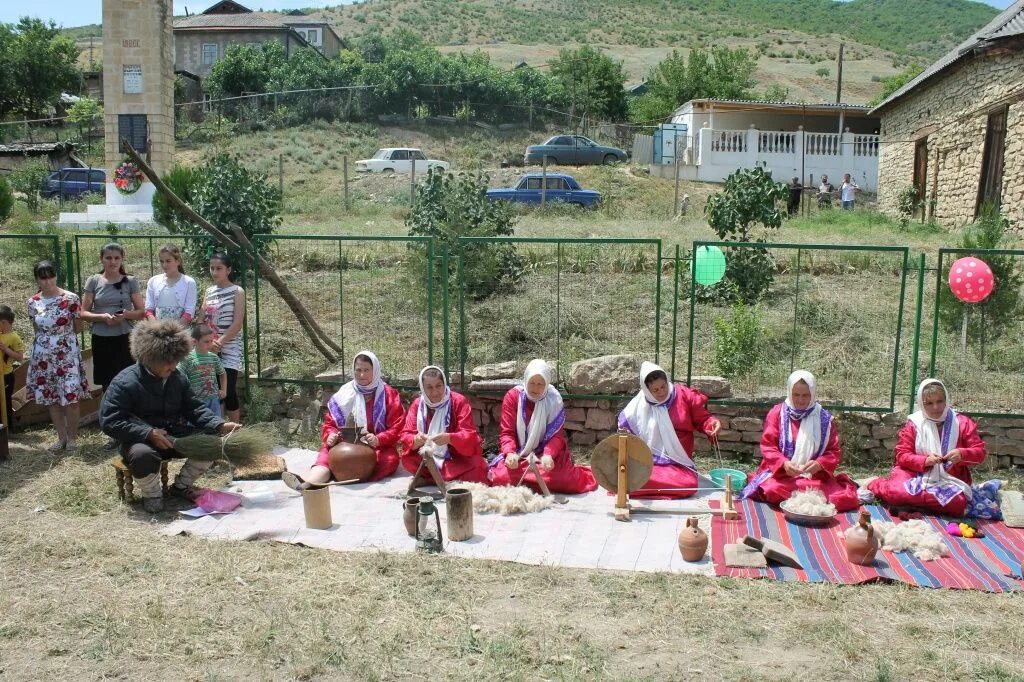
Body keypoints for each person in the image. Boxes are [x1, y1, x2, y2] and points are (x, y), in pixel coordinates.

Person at [99, 319, 240, 513]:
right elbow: (110, 421)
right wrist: (148, 433)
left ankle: (181, 487)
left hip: (174, 436)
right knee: (143, 455)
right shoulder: (125, 382)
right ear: (150, 357)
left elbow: (194, 408)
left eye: (176, 361)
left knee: (211, 444)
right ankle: (152, 495)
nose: (173, 367)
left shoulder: (177, 378)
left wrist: (218, 425)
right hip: (141, 441)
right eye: (168, 362)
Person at [739, 370, 859, 511]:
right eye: (796, 395)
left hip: (814, 477)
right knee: (773, 489)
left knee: (840, 498)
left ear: (813, 394)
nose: (801, 400)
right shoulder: (777, 413)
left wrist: (819, 464)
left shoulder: (824, 419)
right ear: (790, 392)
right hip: (782, 475)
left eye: (805, 395)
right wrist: (784, 463)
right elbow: (768, 446)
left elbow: (833, 451)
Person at [867, 379, 986, 516]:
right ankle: (876, 484)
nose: (935, 407)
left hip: (949, 477)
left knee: (957, 503)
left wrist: (962, 454)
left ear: (946, 399)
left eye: (940, 401)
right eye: (929, 403)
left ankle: (911, 504)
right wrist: (924, 461)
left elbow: (980, 453)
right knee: (896, 493)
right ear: (921, 404)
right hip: (913, 473)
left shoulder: (962, 423)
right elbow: (902, 455)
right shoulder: (915, 424)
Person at [489, 359, 597, 495]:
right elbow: (507, 432)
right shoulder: (513, 397)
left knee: (564, 480)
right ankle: (534, 480)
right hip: (519, 454)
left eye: (540, 384)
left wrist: (548, 455)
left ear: (547, 384)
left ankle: (531, 481)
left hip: (545, 455)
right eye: (532, 383)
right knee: (500, 477)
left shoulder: (554, 399)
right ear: (525, 380)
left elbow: (556, 436)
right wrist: (510, 453)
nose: (535, 388)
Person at [617, 362, 721, 499]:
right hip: (648, 462)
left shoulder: (683, 395)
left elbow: (703, 419)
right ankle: (629, 484)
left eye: (663, 386)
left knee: (689, 484)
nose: (661, 392)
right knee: (625, 476)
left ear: (667, 381)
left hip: (677, 463)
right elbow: (625, 432)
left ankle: (630, 487)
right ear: (647, 390)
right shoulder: (638, 406)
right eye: (655, 390)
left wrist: (712, 424)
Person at [299, 351, 404, 486]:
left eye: (366, 370)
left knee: (389, 460)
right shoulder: (344, 393)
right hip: (344, 443)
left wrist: (379, 439)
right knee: (326, 454)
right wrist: (330, 435)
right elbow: (330, 424)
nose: (362, 375)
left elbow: (397, 426)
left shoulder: (388, 394)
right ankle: (310, 483)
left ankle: (343, 474)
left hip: (377, 447)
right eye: (358, 370)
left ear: (375, 370)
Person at [80, 244, 146, 447]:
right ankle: (114, 431)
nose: (112, 262)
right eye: (108, 258)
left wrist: (124, 315)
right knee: (108, 384)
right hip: (102, 338)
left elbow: (141, 311)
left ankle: (133, 427)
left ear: (122, 259)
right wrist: (102, 317)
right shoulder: (93, 280)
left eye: (116, 258)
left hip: (124, 337)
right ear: (101, 259)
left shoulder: (130, 281)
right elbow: (83, 312)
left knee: (130, 381)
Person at [26, 261, 91, 451]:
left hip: (66, 353)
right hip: (43, 356)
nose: (47, 282)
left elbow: (79, 326)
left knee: (71, 397)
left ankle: (72, 438)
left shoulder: (70, 298)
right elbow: (36, 327)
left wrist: (61, 340)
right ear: (37, 280)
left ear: (55, 276)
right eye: (42, 278)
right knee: (51, 397)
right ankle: (60, 437)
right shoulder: (33, 302)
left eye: (50, 276)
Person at [399, 365, 488, 484]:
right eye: (429, 387)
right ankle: (443, 478)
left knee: (477, 468)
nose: (435, 392)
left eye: (438, 386)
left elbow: (468, 434)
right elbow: (406, 434)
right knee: (407, 460)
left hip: (454, 457)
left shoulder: (458, 401)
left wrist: (450, 438)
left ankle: (431, 479)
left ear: (444, 384)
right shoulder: (417, 405)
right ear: (422, 388)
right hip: (427, 457)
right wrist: (416, 440)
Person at [201, 251, 245, 423]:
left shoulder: (237, 291)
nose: (214, 272)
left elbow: (237, 323)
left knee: (229, 389)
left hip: (229, 346)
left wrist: (219, 342)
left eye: (219, 268)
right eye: (212, 268)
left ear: (228, 270)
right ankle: (217, 426)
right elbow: (201, 318)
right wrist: (206, 342)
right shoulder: (209, 291)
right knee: (212, 389)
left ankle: (235, 428)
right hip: (208, 347)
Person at [177, 324, 227, 417]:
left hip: (214, 399)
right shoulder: (188, 358)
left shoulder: (213, 357)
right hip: (196, 401)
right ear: (195, 341)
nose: (210, 344)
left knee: (216, 425)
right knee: (197, 428)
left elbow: (222, 373)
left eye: (212, 341)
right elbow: (178, 374)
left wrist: (224, 390)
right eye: (206, 341)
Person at [145, 243, 197, 323]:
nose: (164, 265)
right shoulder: (153, 281)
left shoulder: (189, 282)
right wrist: (156, 328)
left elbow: (189, 312)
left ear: (178, 261)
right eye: (161, 261)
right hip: (158, 332)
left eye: (168, 261)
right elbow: (149, 309)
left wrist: (173, 331)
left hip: (180, 332)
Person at [0, 305, 26, 430]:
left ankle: (9, 427)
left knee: (5, 401)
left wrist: (5, 349)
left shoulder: (14, 337)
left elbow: (20, 357)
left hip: (6, 376)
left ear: (3, 322)